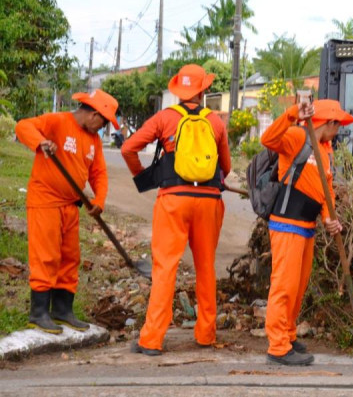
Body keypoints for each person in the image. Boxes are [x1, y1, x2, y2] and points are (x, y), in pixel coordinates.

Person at [121, 64, 231, 355]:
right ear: (204, 90)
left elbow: (128, 148)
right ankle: (206, 334)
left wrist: (146, 174)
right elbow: (226, 168)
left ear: (179, 91)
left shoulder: (164, 118)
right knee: (205, 266)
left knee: (165, 267)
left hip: (173, 200)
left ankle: (152, 340)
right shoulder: (217, 122)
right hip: (209, 202)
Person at [15, 89, 119, 334]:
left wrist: (99, 201)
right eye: (103, 123)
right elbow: (23, 126)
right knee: (46, 256)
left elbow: (99, 174)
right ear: (94, 114)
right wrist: (41, 142)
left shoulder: (93, 141)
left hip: (71, 206)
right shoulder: (58, 121)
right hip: (46, 201)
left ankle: (62, 310)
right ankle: (39, 313)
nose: (102, 129)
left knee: (70, 258)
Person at [260, 98, 353, 366]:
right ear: (330, 122)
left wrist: (329, 218)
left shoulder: (326, 150)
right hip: (286, 223)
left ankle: (288, 335)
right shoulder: (298, 136)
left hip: (307, 227)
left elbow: (327, 191)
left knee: (298, 288)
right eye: (338, 125)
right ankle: (277, 346)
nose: (339, 131)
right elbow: (268, 138)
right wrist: (292, 114)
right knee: (284, 286)